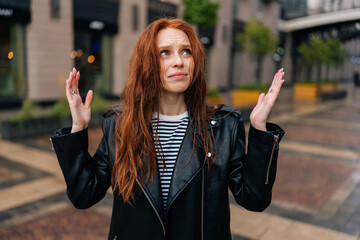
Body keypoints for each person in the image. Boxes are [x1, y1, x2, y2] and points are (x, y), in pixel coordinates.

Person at [51, 18, 285, 240]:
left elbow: (254, 199)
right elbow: (84, 194)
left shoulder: (224, 126)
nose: (179, 61)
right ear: (147, 64)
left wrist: (259, 130)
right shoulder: (121, 125)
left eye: (186, 51)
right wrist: (77, 130)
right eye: (165, 53)